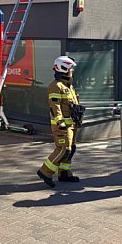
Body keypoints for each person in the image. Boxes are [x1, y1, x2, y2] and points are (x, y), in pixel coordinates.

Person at [37, 56, 81, 188]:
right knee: (63, 149)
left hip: (72, 124)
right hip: (62, 125)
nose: (72, 70)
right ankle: (45, 171)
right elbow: (55, 107)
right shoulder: (55, 86)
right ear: (64, 68)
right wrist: (60, 122)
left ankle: (65, 174)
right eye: (70, 68)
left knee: (71, 149)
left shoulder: (68, 85)